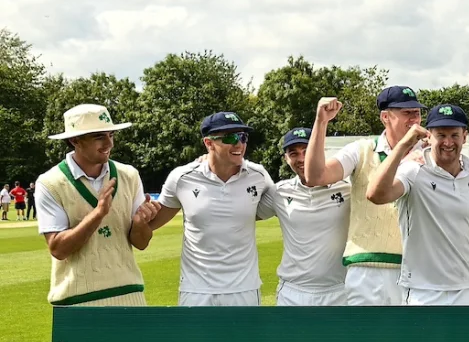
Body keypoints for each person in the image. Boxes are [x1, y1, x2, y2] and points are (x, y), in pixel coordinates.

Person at [302, 87, 426, 306]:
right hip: (368, 270)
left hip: (419, 269)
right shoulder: (361, 150)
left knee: (413, 340)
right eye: (407, 113)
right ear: (385, 117)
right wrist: (321, 122)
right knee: (369, 340)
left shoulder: (429, 152)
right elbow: (315, 176)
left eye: (417, 113)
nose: (414, 119)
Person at [35, 104, 161, 306]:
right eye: (98, 137)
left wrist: (140, 223)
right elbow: (58, 249)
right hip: (78, 302)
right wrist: (98, 214)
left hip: (130, 295)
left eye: (111, 135)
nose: (108, 143)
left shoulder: (129, 175)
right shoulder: (50, 183)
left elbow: (141, 243)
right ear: (75, 140)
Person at [149, 111, 276, 306]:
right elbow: (151, 223)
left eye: (243, 137)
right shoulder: (182, 177)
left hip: (244, 289)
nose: (239, 144)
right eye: (230, 138)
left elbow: (270, 206)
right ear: (208, 143)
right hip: (196, 290)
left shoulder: (258, 175)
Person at [366, 103, 469, 306]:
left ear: (465, 136)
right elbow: (375, 194)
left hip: (468, 287)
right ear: (429, 137)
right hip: (423, 291)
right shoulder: (413, 169)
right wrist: (403, 145)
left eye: (454, 135)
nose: (448, 142)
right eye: (441, 135)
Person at [260, 127, 352, 306]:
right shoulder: (279, 191)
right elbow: (241, 212)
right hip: (293, 292)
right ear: (286, 159)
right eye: (293, 153)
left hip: (339, 290)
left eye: (307, 151)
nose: (301, 159)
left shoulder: (347, 188)